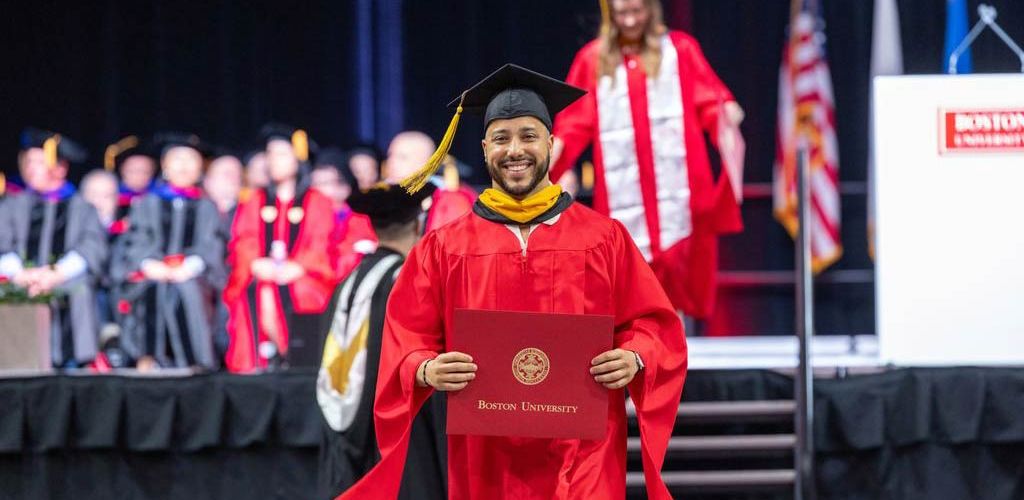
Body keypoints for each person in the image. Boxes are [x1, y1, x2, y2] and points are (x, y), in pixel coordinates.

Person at [340, 64, 685, 500]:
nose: (515, 150)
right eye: (501, 139)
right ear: (485, 149)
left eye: (528, 136)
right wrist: (426, 368)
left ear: (551, 144)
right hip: (485, 454)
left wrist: (635, 357)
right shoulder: (445, 247)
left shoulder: (604, 238)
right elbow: (405, 338)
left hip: (585, 451)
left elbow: (656, 326)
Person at [551, 0, 745, 321]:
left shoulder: (680, 51)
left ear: (651, 10)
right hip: (623, 199)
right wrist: (553, 160)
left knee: (678, 286)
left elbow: (710, 103)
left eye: (636, 11)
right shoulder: (593, 59)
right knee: (629, 288)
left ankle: (678, 357)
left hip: (680, 199)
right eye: (621, 13)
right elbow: (573, 125)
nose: (629, 21)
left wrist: (726, 118)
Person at [317, 182, 445, 500]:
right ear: (418, 225)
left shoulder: (351, 279)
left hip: (348, 422)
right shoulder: (406, 278)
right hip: (396, 425)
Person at [224, 124, 338, 372]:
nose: (273, 160)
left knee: (293, 290)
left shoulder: (317, 201)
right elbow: (244, 240)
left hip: (304, 277)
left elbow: (321, 244)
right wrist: (254, 263)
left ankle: (294, 359)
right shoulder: (255, 199)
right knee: (256, 290)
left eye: (281, 153)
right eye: (270, 153)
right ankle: (260, 363)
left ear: (299, 159)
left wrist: (298, 266)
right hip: (263, 274)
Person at [111, 132, 225, 370]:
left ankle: (195, 360)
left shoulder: (207, 206)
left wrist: (190, 267)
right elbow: (136, 241)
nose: (183, 166)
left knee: (186, 290)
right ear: (164, 165)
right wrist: (150, 265)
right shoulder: (147, 203)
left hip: (194, 276)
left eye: (190, 160)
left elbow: (212, 245)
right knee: (152, 288)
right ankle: (147, 359)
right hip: (153, 273)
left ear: (200, 167)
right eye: (177, 159)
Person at [0, 128, 108, 368]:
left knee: (79, 289)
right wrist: (20, 274)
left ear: (61, 167)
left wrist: (56, 274)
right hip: (18, 280)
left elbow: (91, 247)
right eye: (27, 161)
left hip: (65, 280)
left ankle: (73, 363)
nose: (30, 168)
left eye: (39, 161)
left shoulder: (82, 207)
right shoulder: (11, 205)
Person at [311, 148, 377, 281]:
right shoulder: (306, 218)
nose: (317, 190)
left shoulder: (361, 221)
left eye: (324, 183)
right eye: (314, 184)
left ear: (344, 187)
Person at [105, 135, 157, 223]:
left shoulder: (158, 200)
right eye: (133, 171)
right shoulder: (110, 196)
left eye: (144, 171)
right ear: (122, 170)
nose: (138, 176)